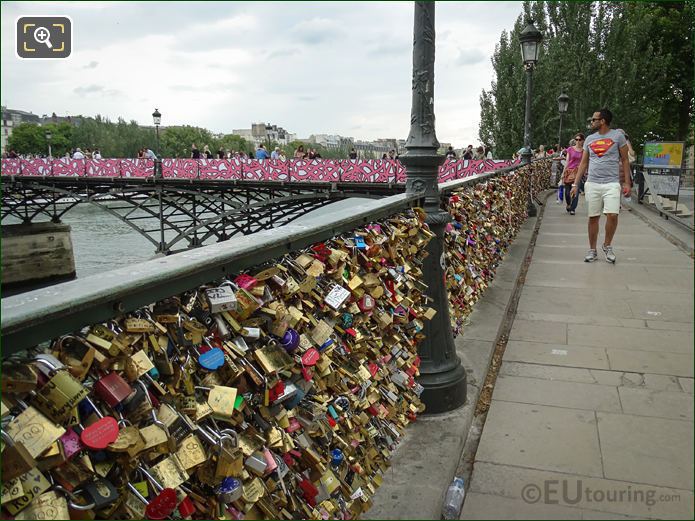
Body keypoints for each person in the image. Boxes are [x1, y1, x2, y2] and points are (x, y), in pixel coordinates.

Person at [570, 108, 631, 264]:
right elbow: (584, 163)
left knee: (612, 215)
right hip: (593, 183)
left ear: (602, 121)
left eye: (593, 120)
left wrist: (627, 183)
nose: (591, 122)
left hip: (611, 183)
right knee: (593, 217)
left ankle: (607, 245)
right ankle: (592, 250)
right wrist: (575, 184)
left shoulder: (618, 137)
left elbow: (625, 160)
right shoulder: (590, 139)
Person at [562, 133, 584, 215]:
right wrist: (563, 173)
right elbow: (567, 161)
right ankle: (568, 203)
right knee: (567, 192)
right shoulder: (570, 149)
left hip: (578, 172)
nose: (578, 141)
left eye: (579, 140)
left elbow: (584, 162)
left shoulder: (584, 151)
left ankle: (573, 208)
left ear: (582, 141)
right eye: (576, 139)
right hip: (569, 171)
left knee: (576, 191)